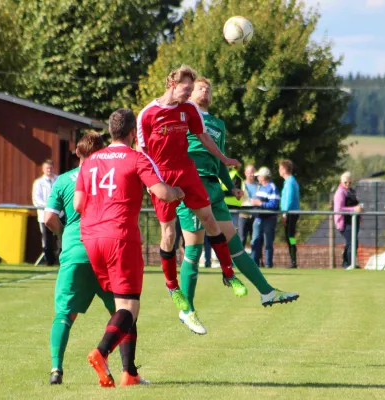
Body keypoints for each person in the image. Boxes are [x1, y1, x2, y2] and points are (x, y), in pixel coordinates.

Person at [175, 77, 299, 334]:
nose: (205, 90)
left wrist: (229, 185)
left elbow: (218, 160)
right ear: (189, 93)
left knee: (235, 246)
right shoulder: (183, 115)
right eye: (200, 87)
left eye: (209, 88)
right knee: (194, 249)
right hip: (191, 184)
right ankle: (187, 309)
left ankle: (266, 292)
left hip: (213, 189)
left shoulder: (218, 124)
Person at [74, 109, 183, 387]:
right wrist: (179, 191)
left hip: (90, 237)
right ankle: (101, 352)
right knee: (130, 307)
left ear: (110, 131)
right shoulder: (136, 158)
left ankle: (129, 373)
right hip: (120, 237)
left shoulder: (90, 161)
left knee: (122, 305)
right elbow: (161, 192)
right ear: (134, 133)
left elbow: (77, 204)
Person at [137, 65, 246, 310]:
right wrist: (152, 183)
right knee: (169, 234)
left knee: (209, 220)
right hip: (162, 177)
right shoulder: (147, 114)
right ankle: (173, 287)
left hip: (186, 171)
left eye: (191, 90)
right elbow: (141, 152)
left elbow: (205, 138)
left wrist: (225, 159)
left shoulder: (189, 110)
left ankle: (229, 274)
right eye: (186, 89)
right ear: (172, 83)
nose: (188, 95)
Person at [44, 133, 129, 385]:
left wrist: (63, 234)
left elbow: (48, 218)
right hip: (106, 252)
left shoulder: (62, 181)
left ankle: (56, 369)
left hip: (75, 253)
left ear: (77, 153)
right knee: (122, 312)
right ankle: (126, 369)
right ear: (102, 153)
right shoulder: (109, 179)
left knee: (64, 315)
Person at [250, 167, 280, 268]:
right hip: (258, 218)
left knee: (268, 242)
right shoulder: (260, 187)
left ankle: (268, 264)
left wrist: (260, 203)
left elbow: (274, 204)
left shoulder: (272, 187)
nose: (257, 178)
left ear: (263, 177)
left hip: (269, 219)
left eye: (259, 176)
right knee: (255, 241)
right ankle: (254, 264)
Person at [333, 172, 363, 269]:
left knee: (352, 242)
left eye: (350, 182)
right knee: (352, 242)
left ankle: (346, 263)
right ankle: (350, 263)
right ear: (341, 182)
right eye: (345, 182)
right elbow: (339, 209)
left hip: (354, 221)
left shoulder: (352, 191)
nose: (347, 185)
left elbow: (356, 204)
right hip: (344, 222)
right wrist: (354, 209)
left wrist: (360, 215)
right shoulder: (340, 193)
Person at [32, 159, 59, 265]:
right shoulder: (38, 183)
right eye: (47, 168)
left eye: (51, 168)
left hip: (58, 215)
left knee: (59, 237)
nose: (49, 170)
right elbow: (36, 200)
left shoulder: (59, 180)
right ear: (43, 169)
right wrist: (49, 206)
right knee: (46, 239)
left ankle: (59, 260)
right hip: (44, 215)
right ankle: (49, 260)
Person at [279, 160, 300, 269]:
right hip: (290, 213)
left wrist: (284, 213)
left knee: (290, 236)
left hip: (291, 213)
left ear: (283, 169)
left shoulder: (290, 182)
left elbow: (289, 199)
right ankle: (293, 259)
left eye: (280, 168)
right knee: (289, 236)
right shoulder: (289, 181)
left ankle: (293, 260)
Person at [238, 164, 257, 247]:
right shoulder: (241, 184)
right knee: (241, 239)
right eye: (249, 172)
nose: (251, 174)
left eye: (253, 172)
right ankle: (240, 260)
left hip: (256, 216)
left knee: (256, 240)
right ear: (245, 173)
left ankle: (256, 259)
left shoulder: (259, 186)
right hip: (243, 216)